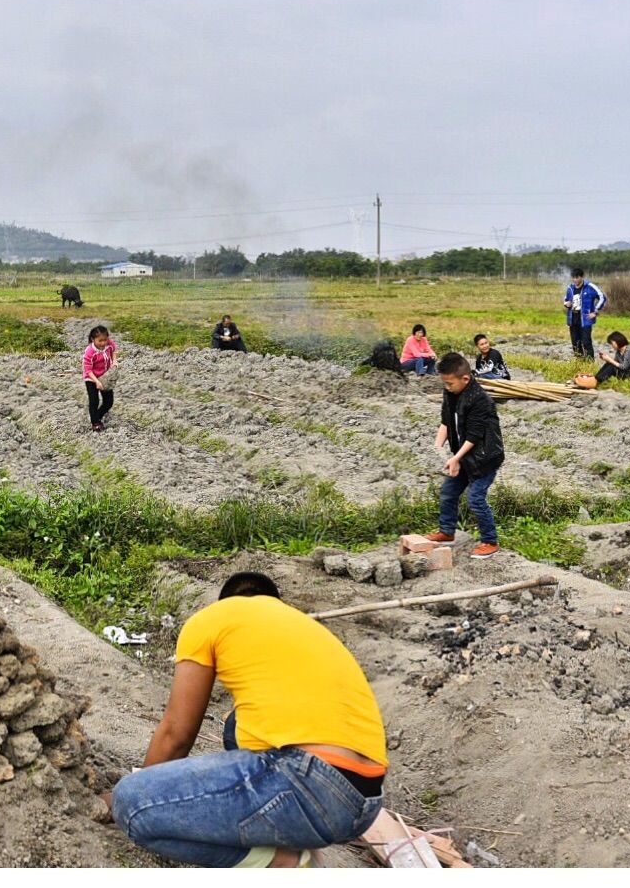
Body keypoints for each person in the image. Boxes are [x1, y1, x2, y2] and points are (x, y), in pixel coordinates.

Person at [108, 571, 387, 868]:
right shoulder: (303, 624)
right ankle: (289, 833)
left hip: (310, 782)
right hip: (365, 801)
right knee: (234, 726)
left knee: (132, 803)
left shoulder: (211, 619)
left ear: (225, 602)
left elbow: (176, 735)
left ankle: (284, 863)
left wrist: (138, 790)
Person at [426, 352, 504, 559]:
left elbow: (474, 436)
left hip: (484, 458)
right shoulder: (451, 393)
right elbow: (446, 421)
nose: (447, 387)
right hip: (463, 455)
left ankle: (490, 541)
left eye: (450, 383)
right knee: (448, 493)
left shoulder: (480, 400)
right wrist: (438, 446)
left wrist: (455, 458)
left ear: (465, 379)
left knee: (476, 499)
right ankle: (446, 531)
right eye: (444, 383)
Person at [563, 268, 606, 359]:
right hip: (573, 319)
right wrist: (566, 304)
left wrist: (595, 311)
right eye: (573, 278)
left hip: (585, 320)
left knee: (586, 342)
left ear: (582, 277)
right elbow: (566, 299)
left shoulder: (590, 287)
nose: (575, 280)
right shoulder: (570, 288)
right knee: (575, 342)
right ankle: (580, 363)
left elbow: (602, 297)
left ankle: (590, 363)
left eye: (577, 278)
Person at [82, 325, 117, 432]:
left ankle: (97, 416)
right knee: (94, 401)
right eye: (100, 341)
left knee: (108, 402)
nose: (103, 343)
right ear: (93, 339)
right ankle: (95, 423)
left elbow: (114, 350)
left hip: (104, 376)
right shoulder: (90, 352)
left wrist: (114, 361)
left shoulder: (109, 344)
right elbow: (88, 370)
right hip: (91, 378)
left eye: (105, 340)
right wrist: (97, 382)